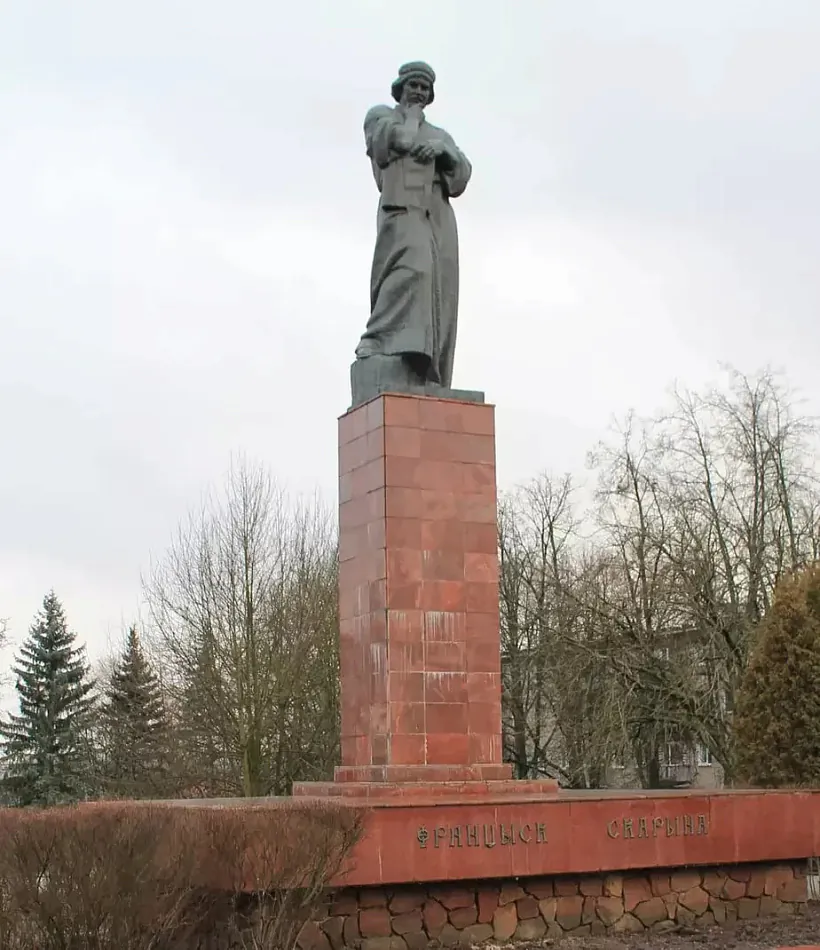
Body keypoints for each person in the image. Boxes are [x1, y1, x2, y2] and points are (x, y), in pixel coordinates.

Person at [353, 61, 472, 394]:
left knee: (441, 291)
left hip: (437, 215)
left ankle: (426, 367)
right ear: (400, 87)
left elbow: (461, 176)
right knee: (410, 270)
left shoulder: (439, 135)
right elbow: (393, 143)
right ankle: (377, 340)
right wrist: (412, 120)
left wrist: (443, 151)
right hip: (402, 210)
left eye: (424, 88)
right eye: (413, 85)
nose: (419, 92)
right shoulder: (381, 117)